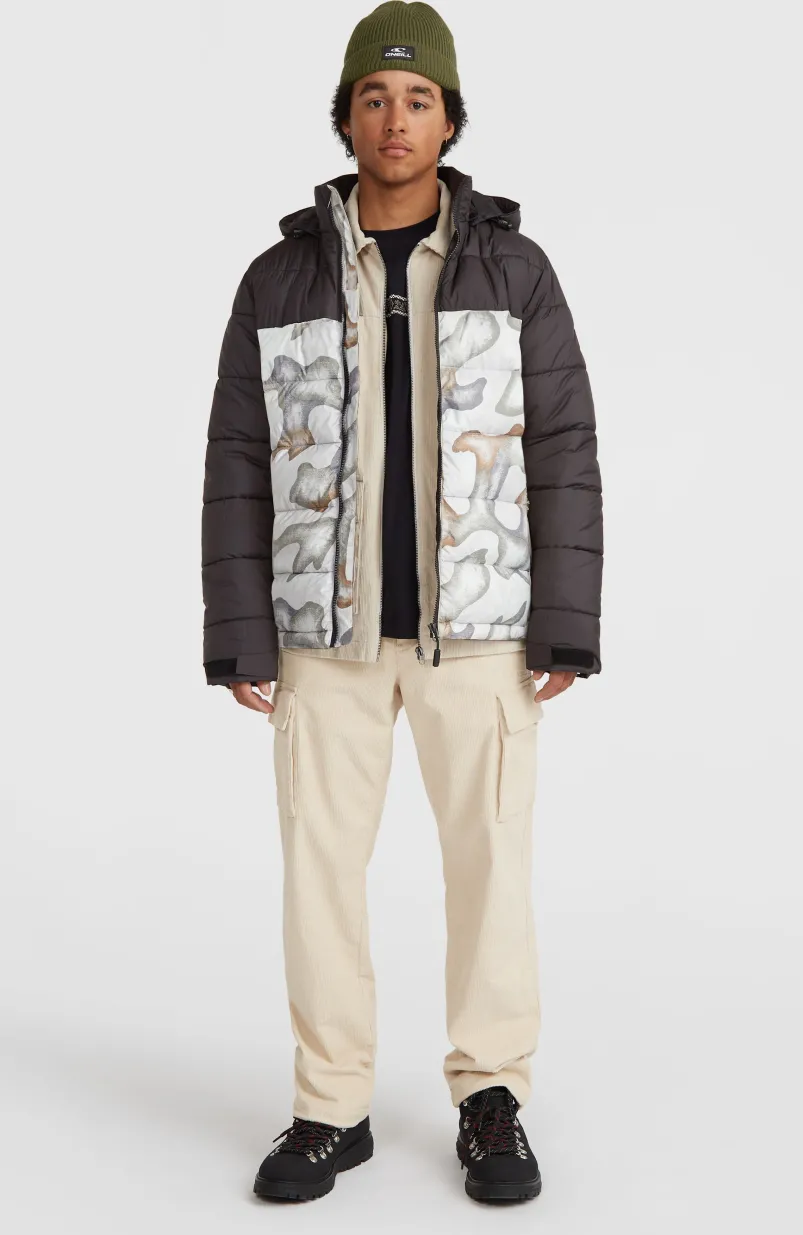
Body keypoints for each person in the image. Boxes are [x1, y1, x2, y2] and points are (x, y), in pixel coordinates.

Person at [201, 0, 603, 1205]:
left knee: (489, 864)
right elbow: (238, 458)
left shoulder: (514, 270)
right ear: (344, 118)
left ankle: (490, 1098)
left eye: (417, 98)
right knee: (317, 871)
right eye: (373, 98)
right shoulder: (277, 277)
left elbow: (563, 444)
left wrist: (565, 619)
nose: (394, 118)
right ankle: (331, 1105)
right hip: (318, 637)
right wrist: (239, 631)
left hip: (478, 630)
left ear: (449, 121)